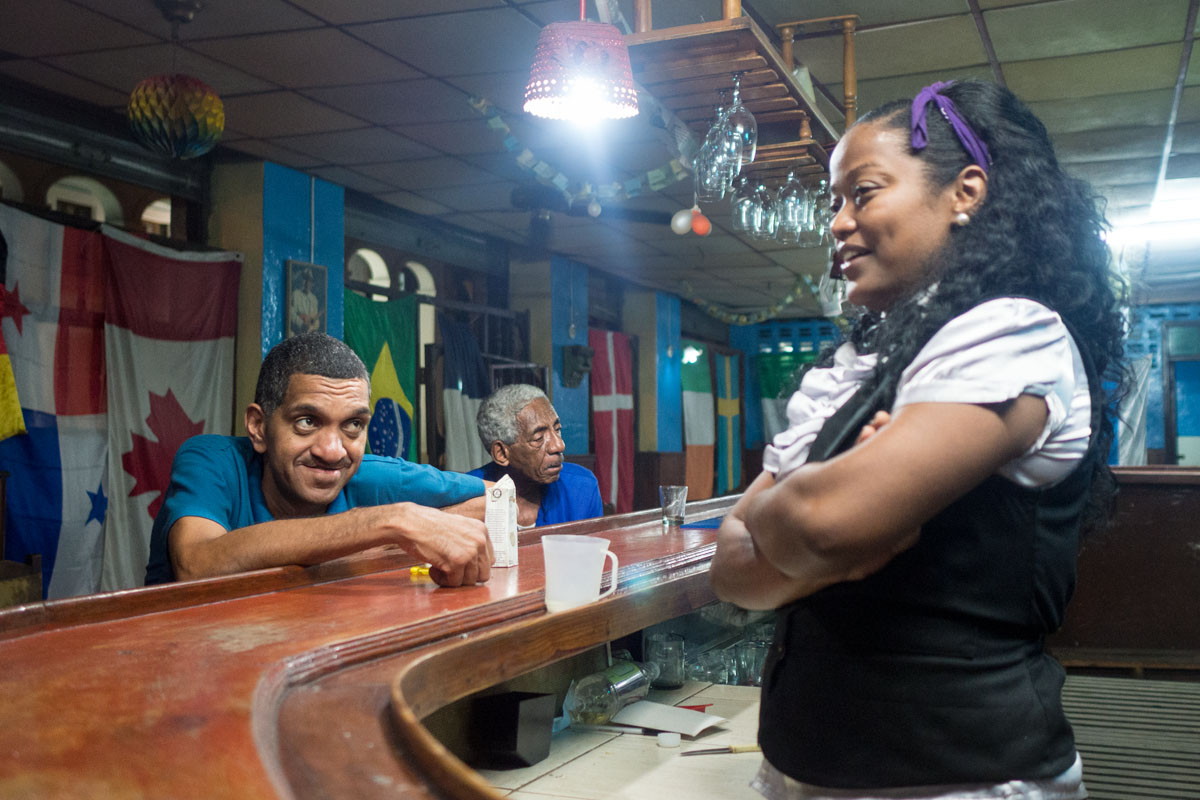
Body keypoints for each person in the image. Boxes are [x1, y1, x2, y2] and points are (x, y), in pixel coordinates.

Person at [710, 80, 1126, 800]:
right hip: (802, 760)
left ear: (965, 192)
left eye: (862, 193)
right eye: (833, 203)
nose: (838, 223)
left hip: (954, 775)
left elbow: (819, 520)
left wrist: (794, 516)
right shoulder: (854, 363)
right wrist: (822, 530)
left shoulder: (1012, 331)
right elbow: (730, 570)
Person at [145, 332, 492, 588]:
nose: (333, 451)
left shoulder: (374, 475)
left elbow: (501, 500)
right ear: (258, 427)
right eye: (307, 422)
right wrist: (392, 523)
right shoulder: (212, 461)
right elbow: (197, 564)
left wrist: (418, 530)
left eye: (353, 425)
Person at [469, 384, 602, 527]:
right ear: (502, 453)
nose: (559, 445)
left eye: (557, 430)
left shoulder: (581, 488)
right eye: (539, 438)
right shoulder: (467, 498)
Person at [290, 269, 321, 335]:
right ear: (302, 281)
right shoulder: (295, 294)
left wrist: (312, 327)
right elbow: (291, 313)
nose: (307, 283)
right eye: (305, 280)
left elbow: (316, 320)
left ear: (312, 284)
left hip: (308, 333)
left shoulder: (314, 299)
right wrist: (301, 324)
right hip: (296, 332)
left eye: (310, 281)